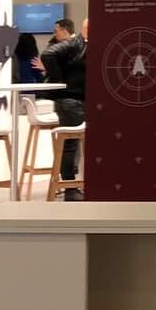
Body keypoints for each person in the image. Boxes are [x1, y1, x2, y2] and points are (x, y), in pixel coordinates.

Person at [40, 17, 88, 199]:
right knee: (70, 144)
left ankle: (71, 186)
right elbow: (48, 54)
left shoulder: (80, 45)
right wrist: (59, 80)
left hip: (76, 100)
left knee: (72, 144)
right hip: (71, 100)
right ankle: (70, 188)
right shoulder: (74, 44)